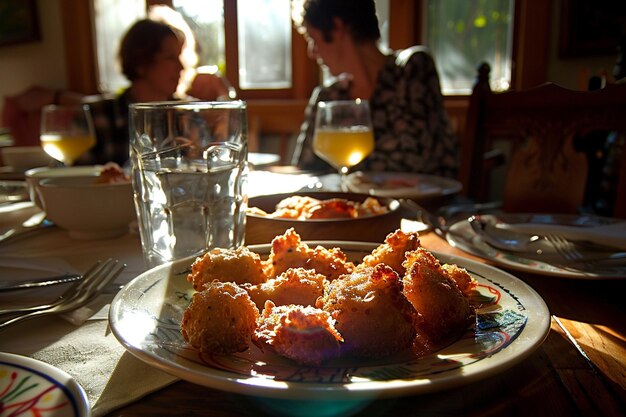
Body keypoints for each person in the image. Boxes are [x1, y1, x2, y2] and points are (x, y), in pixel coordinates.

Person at [291, 0, 459, 178]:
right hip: (351, 203)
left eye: (312, 39)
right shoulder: (328, 96)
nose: (312, 52)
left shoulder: (411, 70)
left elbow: (427, 160)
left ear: (337, 27)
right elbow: (305, 170)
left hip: (421, 204)